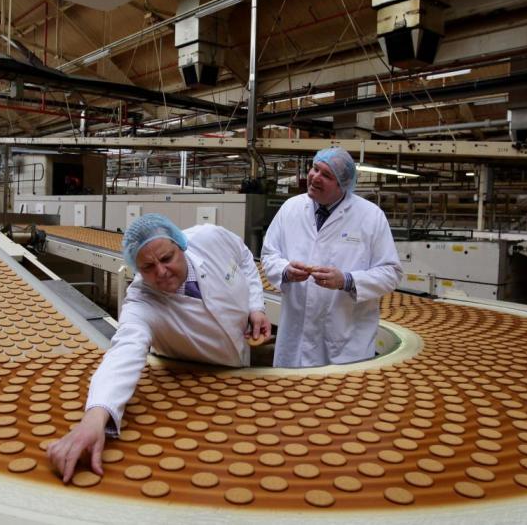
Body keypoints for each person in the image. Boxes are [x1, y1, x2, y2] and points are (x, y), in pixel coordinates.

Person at [46, 214, 271, 482]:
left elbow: (244, 258)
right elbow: (124, 351)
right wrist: (96, 416)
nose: (161, 272)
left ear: (181, 245)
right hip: (198, 383)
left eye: (166, 259)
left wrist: (256, 306)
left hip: (240, 365)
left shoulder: (209, 237)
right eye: (148, 267)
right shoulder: (142, 301)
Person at [261, 147, 402, 368]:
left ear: (342, 185)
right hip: (295, 339)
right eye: (315, 169)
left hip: (345, 340)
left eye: (326, 175)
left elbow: (391, 272)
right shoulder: (291, 208)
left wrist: (347, 280)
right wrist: (285, 271)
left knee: (340, 399)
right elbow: (269, 255)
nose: (315, 177)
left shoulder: (371, 216)